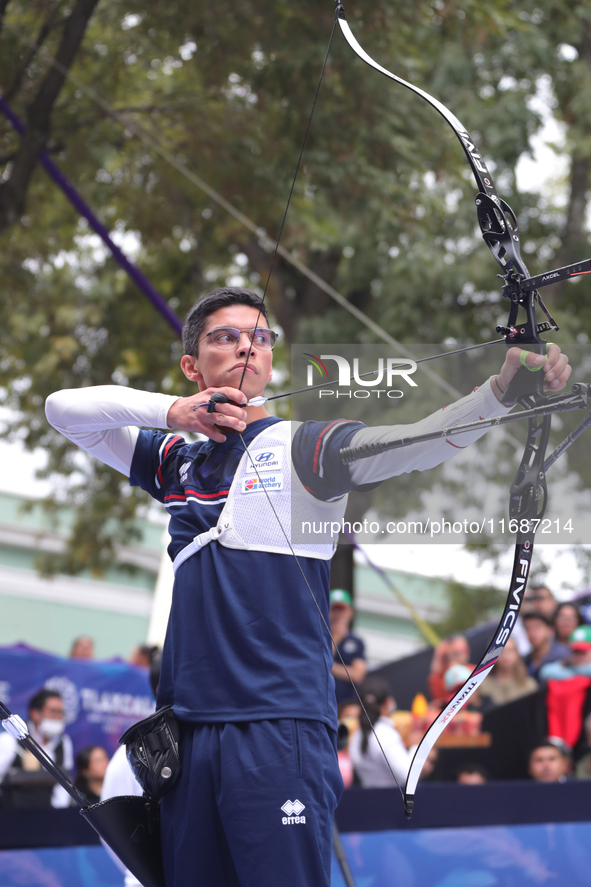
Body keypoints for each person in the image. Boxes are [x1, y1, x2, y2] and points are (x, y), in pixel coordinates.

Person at [45, 287, 571, 887]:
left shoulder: (305, 449)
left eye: (260, 337)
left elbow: (421, 441)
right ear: (191, 366)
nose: (247, 345)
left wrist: (499, 392)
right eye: (225, 336)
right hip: (187, 738)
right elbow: (63, 409)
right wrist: (175, 412)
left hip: (279, 727)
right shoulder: (176, 462)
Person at [0, 689, 73, 808]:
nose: (58, 717)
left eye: (61, 713)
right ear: (35, 713)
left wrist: (59, 812)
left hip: (46, 815)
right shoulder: (9, 739)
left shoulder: (64, 743)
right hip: (11, 814)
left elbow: (64, 784)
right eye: (53, 711)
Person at [348, 677, 414, 788]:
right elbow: (408, 774)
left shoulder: (357, 734)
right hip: (392, 800)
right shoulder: (385, 734)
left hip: (370, 800)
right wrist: (415, 746)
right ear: (388, 702)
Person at [329, 589, 367, 705]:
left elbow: (358, 675)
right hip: (325, 702)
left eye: (342, 610)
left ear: (350, 612)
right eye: (334, 609)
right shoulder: (320, 637)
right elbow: (319, 667)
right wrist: (335, 638)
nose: (338, 614)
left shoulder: (356, 641)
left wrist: (332, 667)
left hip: (347, 705)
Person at [481, 637, 538, 706]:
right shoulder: (483, 686)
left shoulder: (529, 685)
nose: (506, 655)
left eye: (510, 650)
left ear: (517, 653)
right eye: (500, 651)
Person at [428, 635, 475, 706]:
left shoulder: (474, 670)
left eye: (457, 653)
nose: (452, 658)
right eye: (448, 655)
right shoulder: (437, 678)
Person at [522, 612, 569, 680]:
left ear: (550, 630)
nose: (532, 632)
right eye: (528, 628)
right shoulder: (524, 661)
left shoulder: (563, 655)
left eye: (537, 627)